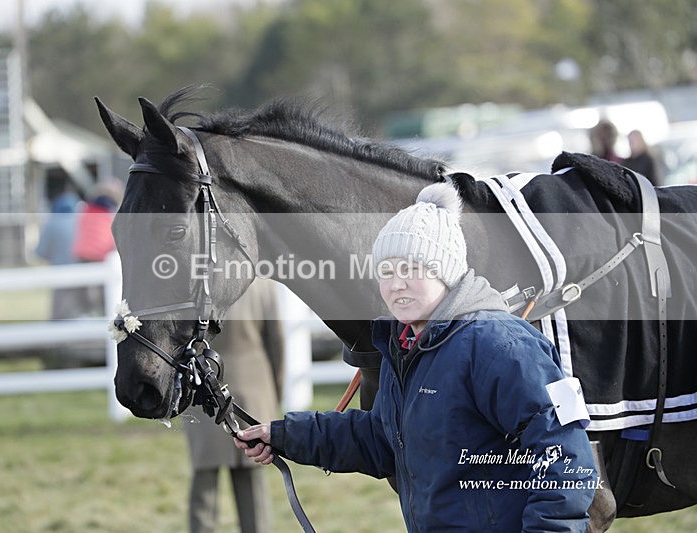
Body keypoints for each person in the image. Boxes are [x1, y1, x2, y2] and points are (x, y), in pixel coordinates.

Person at [234, 183, 597, 531]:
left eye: (411, 269)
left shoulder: (500, 345)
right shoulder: (406, 345)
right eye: (387, 272)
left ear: (446, 271)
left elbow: (566, 455)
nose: (396, 285)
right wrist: (284, 435)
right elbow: (380, 438)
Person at [186, 278, 284, 533]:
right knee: (252, 480)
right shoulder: (261, 283)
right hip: (254, 385)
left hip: (204, 388)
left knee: (204, 481)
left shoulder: (194, 283)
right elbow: (276, 342)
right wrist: (275, 391)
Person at [71, 180, 123, 315]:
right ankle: (105, 312)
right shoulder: (111, 212)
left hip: (83, 253)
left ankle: (83, 312)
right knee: (105, 289)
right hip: (101, 254)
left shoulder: (86, 209)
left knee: (82, 288)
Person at [35, 189, 81, 319]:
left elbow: (40, 252)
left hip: (59, 274)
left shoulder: (51, 223)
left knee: (59, 315)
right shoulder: (82, 220)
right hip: (82, 271)